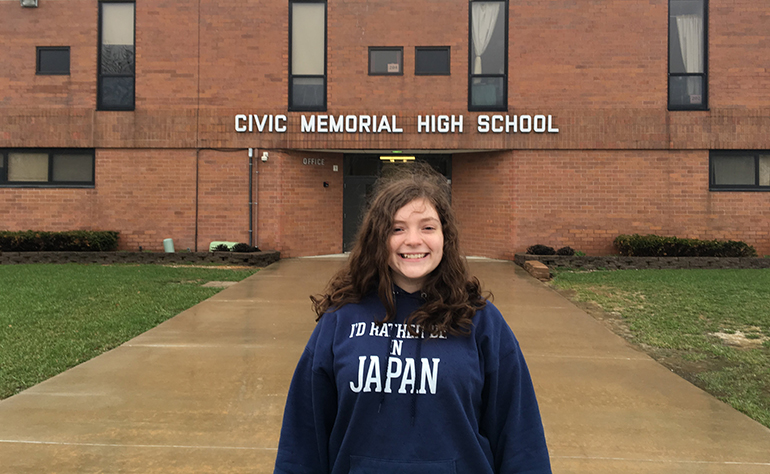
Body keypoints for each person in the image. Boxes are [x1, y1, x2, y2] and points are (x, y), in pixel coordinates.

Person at [274, 163, 551, 474]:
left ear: (445, 237)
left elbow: (520, 437)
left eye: (428, 227)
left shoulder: (480, 322)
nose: (414, 240)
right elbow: (302, 438)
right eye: (397, 228)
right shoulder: (341, 319)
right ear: (379, 238)